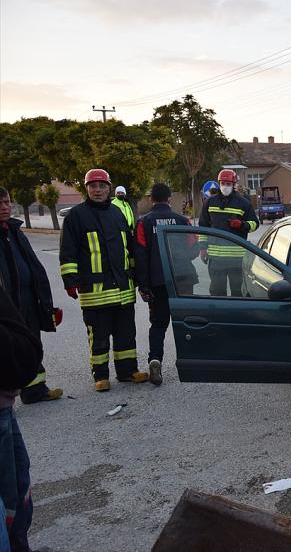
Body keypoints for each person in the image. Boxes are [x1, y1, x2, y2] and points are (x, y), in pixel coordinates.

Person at [60, 168, 148, 392]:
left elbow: (129, 249)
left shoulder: (117, 213)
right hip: (94, 291)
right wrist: (70, 280)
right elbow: (68, 251)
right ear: (86, 189)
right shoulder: (76, 217)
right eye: (92, 186)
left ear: (109, 188)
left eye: (101, 186)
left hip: (123, 288)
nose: (97, 190)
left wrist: (138, 276)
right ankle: (100, 376)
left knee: (126, 334)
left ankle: (128, 371)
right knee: (98, 337)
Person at [0, 188, 63, 404]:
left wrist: (44, 300)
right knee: (9, 349)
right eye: (0, 204)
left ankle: (35, 390)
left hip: (27, 299)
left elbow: (32, 266)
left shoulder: (15, 231)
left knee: (31, 343)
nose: (5, 207)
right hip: (7, 304)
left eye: (7, 202)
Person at [135, 183, 197, 386]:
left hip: (158, 282)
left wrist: (143, 286)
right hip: (183, 279)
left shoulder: (144, 223)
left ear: (151, 200)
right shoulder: (182, 221)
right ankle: (192, 361)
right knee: (186, 322)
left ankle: (155, 359)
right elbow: (194, 249)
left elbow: (141, 256)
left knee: (158, 324)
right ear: (169, 199)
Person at [0, 284, 42, 552]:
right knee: (6, 496)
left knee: (17, 482)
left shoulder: (11, 240)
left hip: (5, 401)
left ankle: (19, 544)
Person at [198, 169, 259, 297]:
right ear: (219, 183)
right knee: (217, 292)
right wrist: (203, 249)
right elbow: (203, 227)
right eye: (223, 183)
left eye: (228, 184)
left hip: (236, 258)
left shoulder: (244, 203)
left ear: (234, 184)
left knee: (238, 292)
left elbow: (255, 224)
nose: (225, 186)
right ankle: (220, 316)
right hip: (215, 258)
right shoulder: (209, 202)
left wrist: (242, 225)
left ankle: (236, 316)